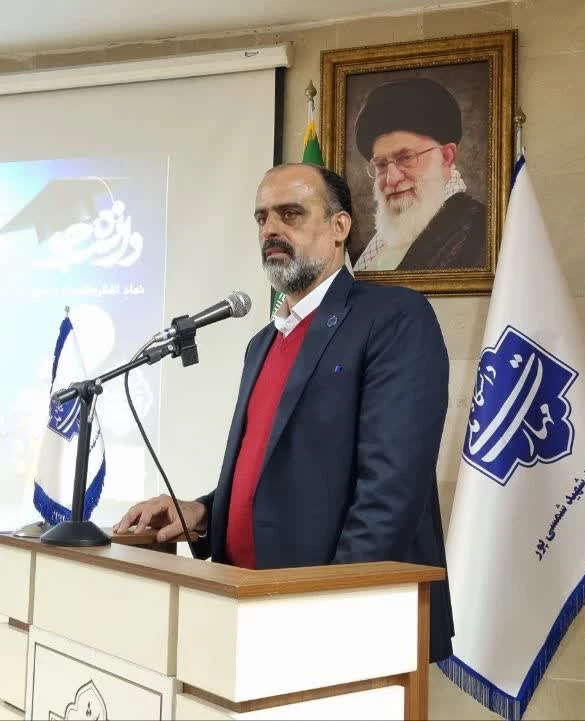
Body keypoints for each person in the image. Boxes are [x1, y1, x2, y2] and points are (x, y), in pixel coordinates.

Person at [113, 162, 454, 663]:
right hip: (245, 607)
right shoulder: (262, 343)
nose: (270, 229)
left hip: (332, 623)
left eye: (290, 213)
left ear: (339, 228)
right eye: (262, 218)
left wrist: (328, 610)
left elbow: (391, 490)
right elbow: (275, 474)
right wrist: (202, 514)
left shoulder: (392, 318)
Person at [350, 76, 488, 272]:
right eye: (381, 164)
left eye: (406, 158)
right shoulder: (361, 256)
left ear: (446, 157)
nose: (392, 179)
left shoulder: (481, 233)